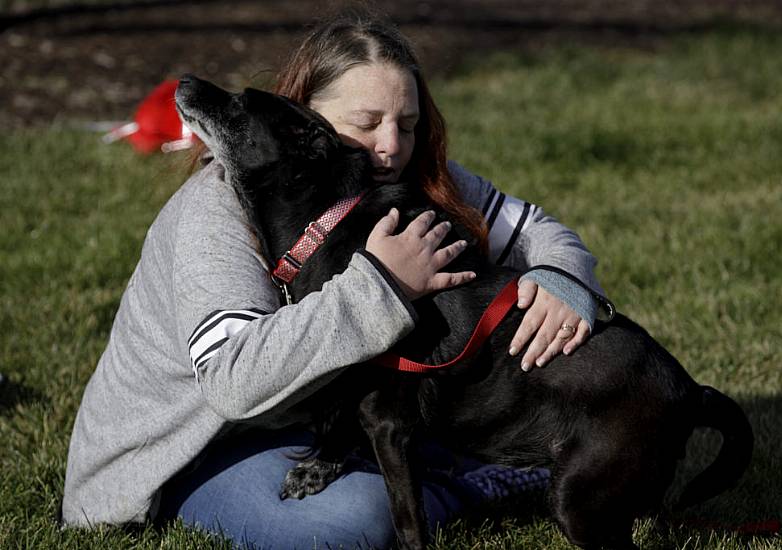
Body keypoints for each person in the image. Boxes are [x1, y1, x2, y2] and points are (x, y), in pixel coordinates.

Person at [62, 9, 612, 549]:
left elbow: (537, 229)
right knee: (343, 527)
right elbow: (235, 384)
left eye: (409, 124)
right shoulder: (217, 211)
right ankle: (477, 481)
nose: (391, 145)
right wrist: (383, 285)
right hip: (196, 447)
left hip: (328, 422)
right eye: (366, 123)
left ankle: (455, 463)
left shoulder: (389, 174)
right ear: (305, 119)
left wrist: (563, 278)